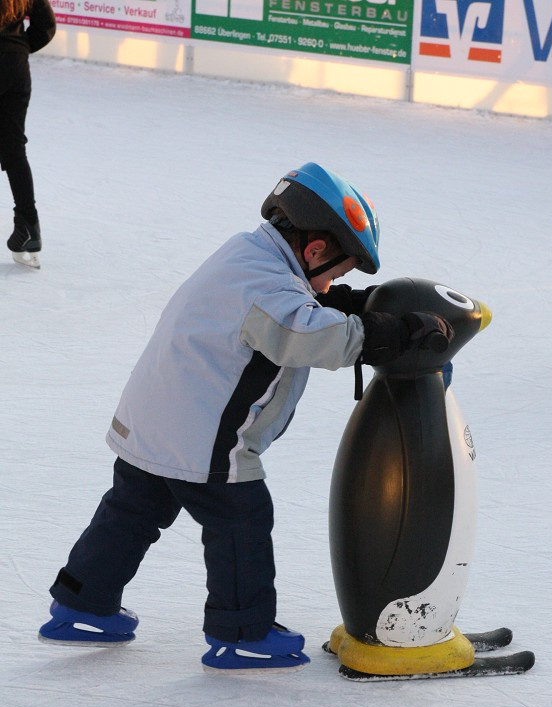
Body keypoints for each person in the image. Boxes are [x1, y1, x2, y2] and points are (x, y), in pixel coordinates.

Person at [37, 163, 455, 672]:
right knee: (241, 521)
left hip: (151, 420)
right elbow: (309, 334)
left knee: (131, 512)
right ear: (316, 250)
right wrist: (390, 334)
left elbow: (297, 302)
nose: (328, 287)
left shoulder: (247, 254)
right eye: (335, 276)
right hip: (201, 437)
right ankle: (242, 633)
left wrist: (349, 302)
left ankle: (82, 603)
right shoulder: (271, 293)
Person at [0, 0, 55, 268]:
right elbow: (46, 25)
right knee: (13, 149)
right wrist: (18, 48)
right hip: (16, 67)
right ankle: (28, 228)